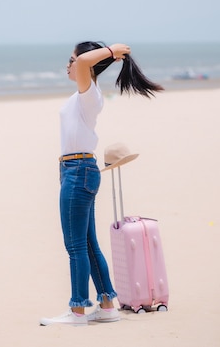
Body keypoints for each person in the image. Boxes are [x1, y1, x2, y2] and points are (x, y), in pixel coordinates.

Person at [40, 41, 163, 326]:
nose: (68, 65)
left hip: (78, 169)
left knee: (75, 247)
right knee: (87, 243)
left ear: (88, 63)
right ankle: (107, 305)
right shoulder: (84, 95)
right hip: (78, 169)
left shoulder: (89, 93)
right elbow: (84, 64)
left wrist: (111, 50)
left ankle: (77, 310)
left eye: (71, 60)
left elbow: (84, 64)